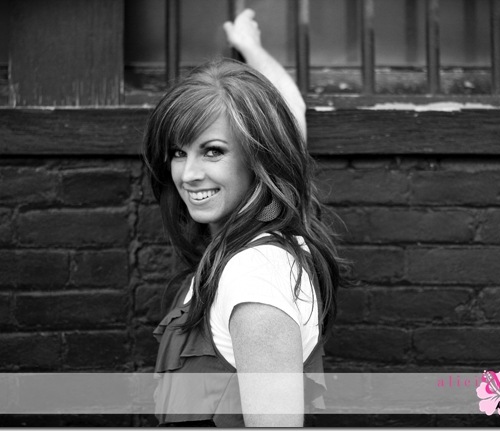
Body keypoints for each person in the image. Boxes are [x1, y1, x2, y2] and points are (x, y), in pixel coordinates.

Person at [143, 9, 348, 427]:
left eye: (212, 151)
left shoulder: (255, 278)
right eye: (179, 152)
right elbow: (290, 113)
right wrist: (250, 47)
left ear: (259, 157)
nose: (188, 174)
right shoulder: (275, 227)